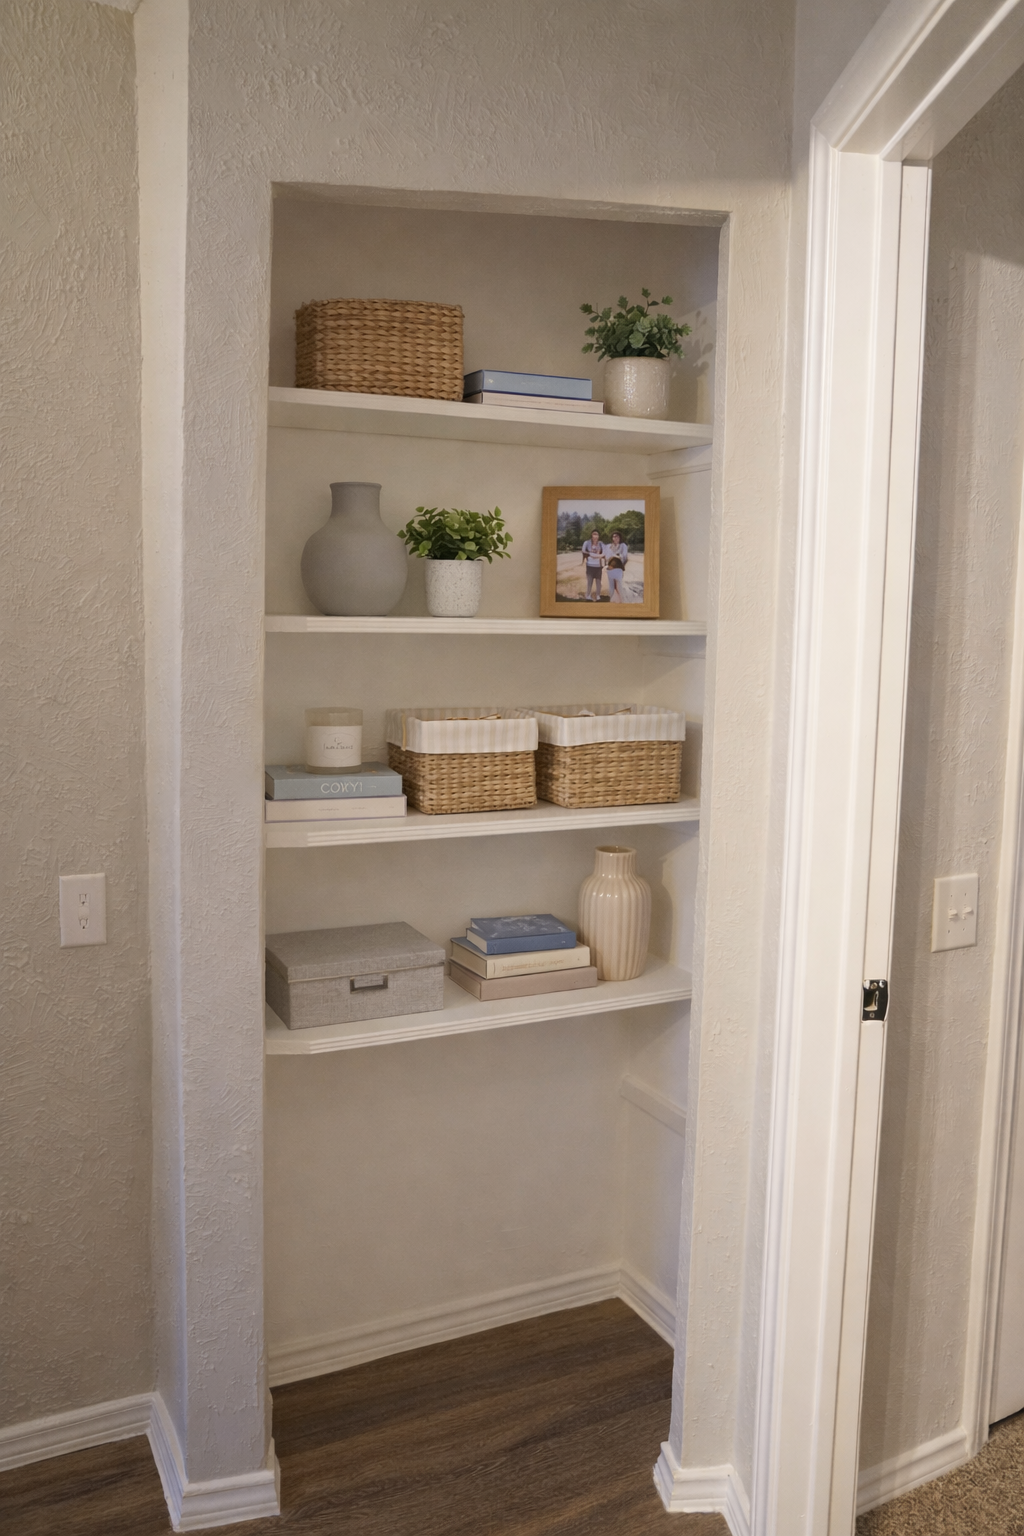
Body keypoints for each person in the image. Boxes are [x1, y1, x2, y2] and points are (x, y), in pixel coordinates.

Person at [581, 529, 607, 601]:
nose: (595, 536)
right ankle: (588, 595)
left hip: (598, 566)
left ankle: (598, 595)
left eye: (597, 534)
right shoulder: (586, 542)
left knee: (598, 582)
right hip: (590, 566)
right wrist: (597, 555)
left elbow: (605, 552)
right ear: (591, 535)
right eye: (594, 534)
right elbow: (583, 550)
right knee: (590, 581)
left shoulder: (601, 543)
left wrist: (592, 555)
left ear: (599, 536)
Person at [605, 530, 629, 602]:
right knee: (611, 587)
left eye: (617, 536)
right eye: (614, 536)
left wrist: (615, 555)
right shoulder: (608, 546)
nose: (615, 538)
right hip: (610, 568)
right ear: (612, 538)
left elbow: (624, 556)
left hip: (618, 568)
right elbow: (607, 557)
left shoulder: (623, 545)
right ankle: (612, 602)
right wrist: (616, 555)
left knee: (619, 587)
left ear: (620, 538)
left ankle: (622, 601)